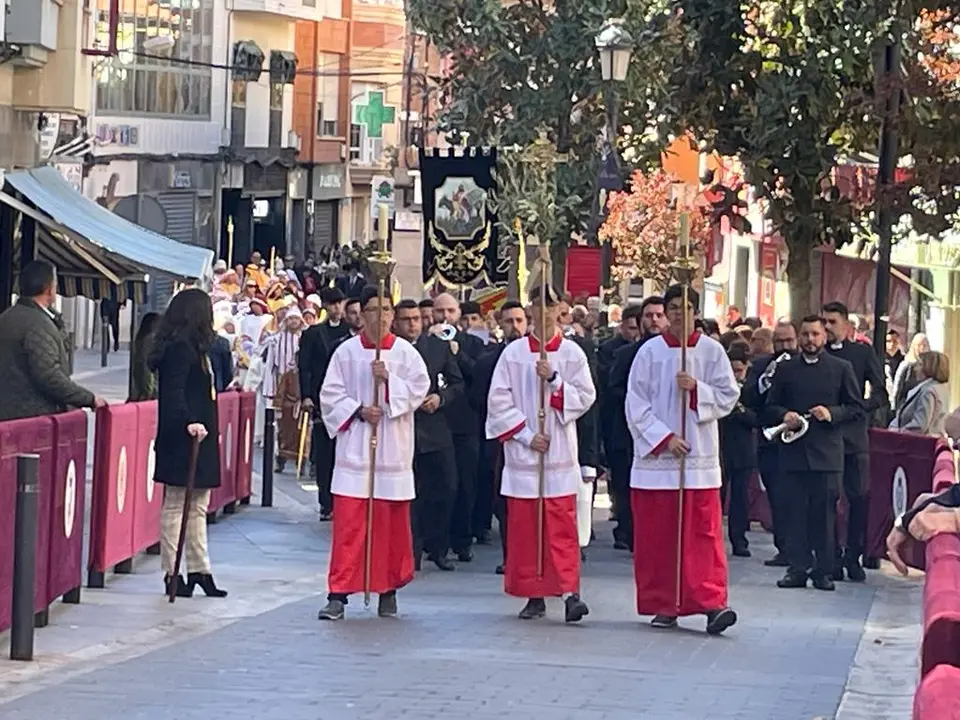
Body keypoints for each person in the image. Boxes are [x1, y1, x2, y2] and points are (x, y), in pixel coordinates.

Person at [625, 284, 739, 634]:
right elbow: (635, 403)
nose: (677, 313)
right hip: (660, 462)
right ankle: (665, 603)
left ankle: (711, 603)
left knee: (701, 536)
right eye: (672, 307)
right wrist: (665, 438)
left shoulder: (711, 351)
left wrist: (697, 391)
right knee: (661, 537)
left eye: (684, 307)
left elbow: (728, 395)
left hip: (698, 460)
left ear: (696, 312)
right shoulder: (649, 352)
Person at [316, 286, 430, 621]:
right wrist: (359, 410)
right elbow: (330, 394)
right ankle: (338, 594)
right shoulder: (346, 352)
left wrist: (389, 381)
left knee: (389, 527)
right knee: (350, 526)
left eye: (385, 310)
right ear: (361, 314)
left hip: (392, 448)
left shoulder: (406, 355)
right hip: (356, 450)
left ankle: (388, 589)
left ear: (392, 315)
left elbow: (419, 390)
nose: (379, 317)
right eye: (372, 311)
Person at [485, 285, 595, 622]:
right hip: (526, 455)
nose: (544, 311)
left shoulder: (572, 354)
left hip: (559, 451)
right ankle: (533, 594)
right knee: (526, 529)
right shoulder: (513, 354)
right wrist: (526, 435)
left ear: (560, 308)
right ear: (530, 310)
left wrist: (556, 382)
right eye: (538, 304)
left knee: (561, 527)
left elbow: (586, 396)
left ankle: (569, 591)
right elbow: (498, 401)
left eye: (550, 304)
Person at [764, 315, 863, 592]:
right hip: (793, 452)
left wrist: (832, 413)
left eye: (816, 335)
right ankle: (797, 568)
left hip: (827, 455)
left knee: (825, 516)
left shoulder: (841, 368)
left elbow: (855, 408)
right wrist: (785, 414)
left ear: (824, 337)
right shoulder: (786, 370)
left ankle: (823, 571)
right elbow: (770, 407)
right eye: (806, 335)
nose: (810, 340)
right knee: (794, 513)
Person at [149, 288, 228, 599]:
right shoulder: (180, 349)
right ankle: (173, 571)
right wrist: (187, 421)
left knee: (198, 507)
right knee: (175, 505)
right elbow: (173, 393)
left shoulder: (197, 349)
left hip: (201, 434)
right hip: (184, 436)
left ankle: (199, 568)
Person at [393, 299, 463, 571]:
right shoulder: (391, 350)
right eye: (406, 319)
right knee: (411, 494)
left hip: (434, 428)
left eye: (416, 319)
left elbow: (457, 383)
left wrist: (440, 397)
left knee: (446, 486)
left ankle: (438, 546)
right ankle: (413, 548)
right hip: (404, 428)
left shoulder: (436, 347)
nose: (412, 324)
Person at [822, 301, 889, 581]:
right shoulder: (816, 354)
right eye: (823, 321)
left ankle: (854, 556)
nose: (826, 327)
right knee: (826, 498)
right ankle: (830, 556)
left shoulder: (861, 353)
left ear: (846, 325)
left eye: (832, 322)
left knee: (858, 497)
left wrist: (859, 407)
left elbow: (880, 393)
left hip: (854, 436)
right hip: (823, 438)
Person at [0, 261, 104, 421]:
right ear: (49, 288)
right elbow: (48, 375)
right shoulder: (38, 324)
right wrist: (88, 398)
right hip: (31, 417)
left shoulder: (6, 317)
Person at [605, 296, 667, 550]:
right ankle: (630, 532)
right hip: (630, 433)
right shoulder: (626, 354)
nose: (653, 320)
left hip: (666, 432)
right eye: (648, 315)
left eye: (658, 315)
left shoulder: (677, 353)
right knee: (627, 487)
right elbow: (614, 389)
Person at [471, 300, 527, 575]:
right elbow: (480, 402)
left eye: (519, 320)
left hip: (536, 439)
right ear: (500, 324)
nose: (514, 327)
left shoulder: (540, 356)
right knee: (503, 500)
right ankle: (511, 555)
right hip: (499, 441)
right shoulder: (487, 361)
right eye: (509, 321)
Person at [432, 293, 485, 560]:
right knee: (440, 485)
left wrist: (459, 354)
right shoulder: (427, 344)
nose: (445, 317)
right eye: (440, 311)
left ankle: (462, 541)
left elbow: (479, 375)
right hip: (436, 423)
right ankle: (436, 543)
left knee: (466, 484)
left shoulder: (472, 343)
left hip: (465, 422)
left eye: (450, 311)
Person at [741, 320, 798, 567]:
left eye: (789, 341)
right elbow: (749, 398)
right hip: (771, 443)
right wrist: (765, 379)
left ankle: (803, 548)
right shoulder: (762, 365)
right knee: (777, 495)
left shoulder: (806, 367)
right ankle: (784, 548)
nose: (784, 347)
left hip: (800, 441)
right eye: (779, 342)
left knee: (800, 498)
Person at [719, 344, 756, 557]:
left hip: (743, 449)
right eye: (731, 370)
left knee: (740, 498)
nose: (735, 375)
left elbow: (757, 417)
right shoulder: (720, 387)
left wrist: (739, 409)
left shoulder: (751, 389)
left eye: (738, 370)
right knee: (719, 496)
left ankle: (739, 539)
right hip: (722, 448)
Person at [265, 307, 306, 473]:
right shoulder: (276, 340)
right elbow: (270, 366)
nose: (293, 322)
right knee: (282, 428)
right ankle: (280, 460)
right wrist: (272, 389)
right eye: (290, 319)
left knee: (301, 429)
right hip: (282, 389)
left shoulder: (304, 338)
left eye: (296, 319)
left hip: (299, 388)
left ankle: (301, 462)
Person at [889, 351, 949, 436]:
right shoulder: (939, 389)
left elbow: (919, 426)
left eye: (919, 364)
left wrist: (896, 432)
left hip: (920, 445)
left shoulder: (929, 391)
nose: (915, 369)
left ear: (929, 367)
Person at [129, 312, 162, 401]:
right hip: (147, 389)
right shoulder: (150, 340)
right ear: (153, 324)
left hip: (140, 386)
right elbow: (147, 367)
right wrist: (149, 391)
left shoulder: (141, 339)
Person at [892, 333, 930, 410]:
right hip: (906, 408)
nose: (922, 348)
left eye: (924, 345)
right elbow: (897, 389)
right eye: (919, 345)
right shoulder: (906, 365)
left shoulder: (931, 366)